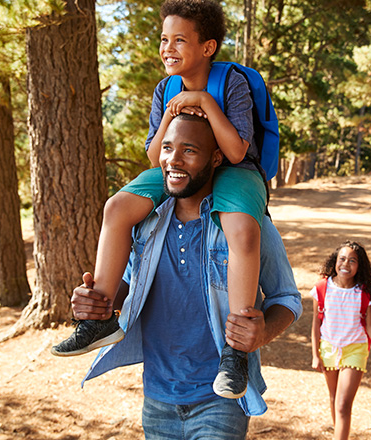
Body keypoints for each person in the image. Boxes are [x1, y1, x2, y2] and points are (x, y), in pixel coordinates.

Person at [52, 0, 267, 400]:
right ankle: (99, 316)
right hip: (178, 167)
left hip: (235, 171)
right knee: (116, 208)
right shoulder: (165, 88)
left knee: (239, 227)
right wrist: (171, 113)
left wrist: (204, 103)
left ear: (208, 47)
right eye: (164, 39)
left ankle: (235, 350)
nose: (168, 48)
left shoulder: (232, 82)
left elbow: (237, 151)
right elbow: (155, 158)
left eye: (179, 40)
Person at [71, 113, 302, 439]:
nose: (173, 160)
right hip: (157, 397)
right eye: (167, 148)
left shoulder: (248, 225)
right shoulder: (144, 222)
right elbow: (128, 284)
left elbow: (286, 298)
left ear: (215, 158)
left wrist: (262, 333)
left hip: (220, 401)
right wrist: (96, 303)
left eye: (190, 150)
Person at [311, 241, 371, 440]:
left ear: (360, 266)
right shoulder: (322, 288)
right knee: (334, 399)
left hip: (355, 349)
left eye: (352, 261)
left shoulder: (365, 293)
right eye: (342, 259)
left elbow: (370, 326)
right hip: (329, 348)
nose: (346, 264)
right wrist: (315, 355)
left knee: (343, 404)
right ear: (335, 261)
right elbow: (316, 325)